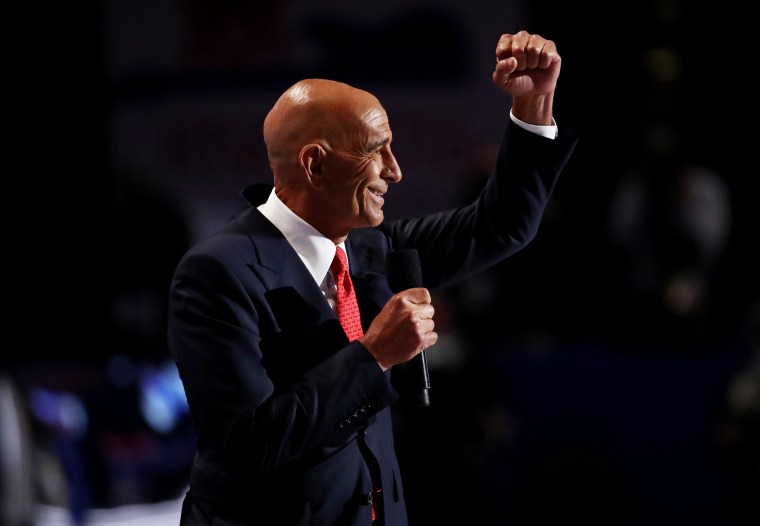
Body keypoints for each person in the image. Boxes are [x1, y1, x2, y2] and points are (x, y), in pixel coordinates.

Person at [167, 30, 578, 526]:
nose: (395, 171)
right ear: (315, 164)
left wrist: (533, 109)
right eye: (376, 150)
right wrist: (375, 354)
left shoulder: (375, 247)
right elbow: (247, 445)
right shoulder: (218, 272)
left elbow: (501, 226)